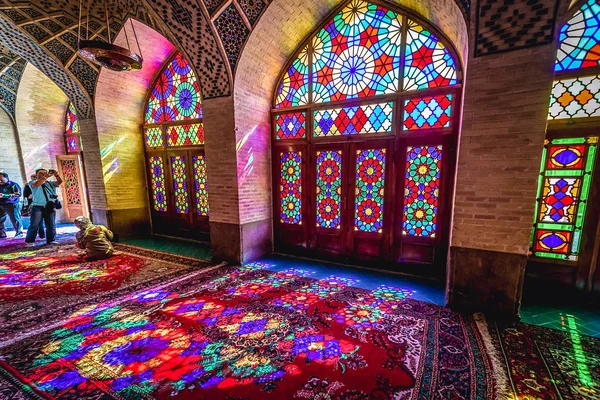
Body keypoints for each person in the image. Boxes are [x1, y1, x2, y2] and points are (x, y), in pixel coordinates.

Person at [25, 168, 63, 246]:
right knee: (34, 224)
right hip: (37, 207)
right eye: (40, 173)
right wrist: (46, 176)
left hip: (49, 206)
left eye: (44, 173)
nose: (43, 174)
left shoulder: (50, 183)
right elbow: (36, 184)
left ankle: (51, 239)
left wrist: (56, 175)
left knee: (51, 224)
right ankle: (30, 241)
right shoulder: (32, 182)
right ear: (36, 175)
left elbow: (59, 182)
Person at [0, 172, 23, 237]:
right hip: (1, 204)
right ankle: (2, 234)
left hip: (12, 204)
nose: (0, 181)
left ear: (7, 178)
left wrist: (5, 195)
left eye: (1, 179)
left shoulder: (13, 185)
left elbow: (18, 194)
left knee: (15, 220)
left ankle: (19, 234)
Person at [23, 174, 45, 239]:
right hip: (34, 204)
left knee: (41, 222)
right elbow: (26, 195)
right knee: (35, 222)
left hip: (43, 204)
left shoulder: (43, 184)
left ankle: (42, 235)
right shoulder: (28, 185)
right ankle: (33, 238)